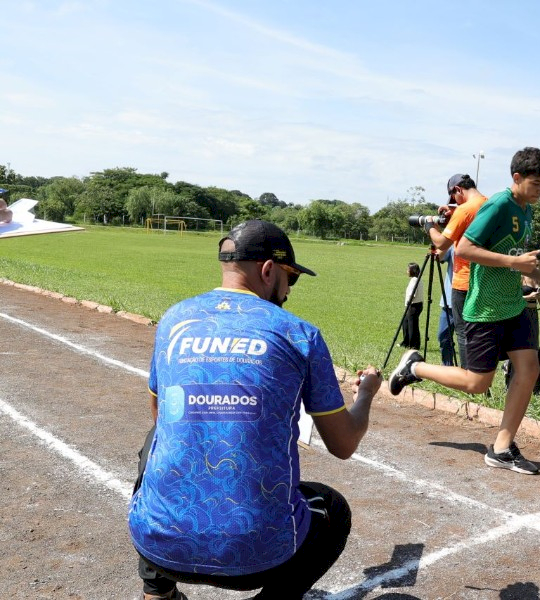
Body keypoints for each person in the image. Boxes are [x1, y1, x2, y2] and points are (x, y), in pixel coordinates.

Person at [128, 220, 383, 600]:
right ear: (268, 270)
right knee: (332, 511)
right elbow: (343, 445)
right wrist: (366, 396)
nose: (288, 292)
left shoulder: (174, 320)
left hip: (158, 546)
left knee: (156, 441)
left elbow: (160, 416)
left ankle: (157, 592)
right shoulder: (298, 332)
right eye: (289, 279)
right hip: (258, 556)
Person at [389, 147, 540, 475]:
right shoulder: (498, 205)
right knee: (477, 383)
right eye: (536, 183)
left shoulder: (526, 210)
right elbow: (464, 248)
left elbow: (514, 255)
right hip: (485, 308)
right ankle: (417, 368)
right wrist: (514, 262)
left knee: (530, 368)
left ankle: (502, 447)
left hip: (513, 305)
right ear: (517, 178)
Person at [423, 173, 489, 369]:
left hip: (463, 280)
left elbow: (441, 242)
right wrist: (454, 214)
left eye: (454, 198)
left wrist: (430, 227)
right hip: (485, 279)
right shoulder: (490, 205)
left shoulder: (464, 210)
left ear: (458, 190)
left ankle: (468, 378)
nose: (454, 202)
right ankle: (481, 377)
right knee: (480, 332)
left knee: (462, 333)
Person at [522, 252, 540, 344]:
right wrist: (529, 296)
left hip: (533, 314)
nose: (538, 268)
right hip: (521, 313)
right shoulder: (521, 276)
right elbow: (512, 299)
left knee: (533, 343)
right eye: (536, 265)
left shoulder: (538, 279)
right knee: (521, 344)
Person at [437, 245, 456, 366]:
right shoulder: (452, 244)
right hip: (449, 302)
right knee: (443, 337)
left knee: (468, 341)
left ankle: (470, 372)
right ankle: (447, 367)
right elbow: (438, 257)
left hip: (470, 304)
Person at [400, 262, 424, 349]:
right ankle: (406, 341)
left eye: (408, 269)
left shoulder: (414, 280)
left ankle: (414, 345)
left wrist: (407, 306)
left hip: (413, 305)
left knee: (412, 325)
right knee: (405, 323)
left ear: (412, 271)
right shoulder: (418, 279)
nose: (407, 271)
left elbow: (412, 294)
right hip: (416, 305)